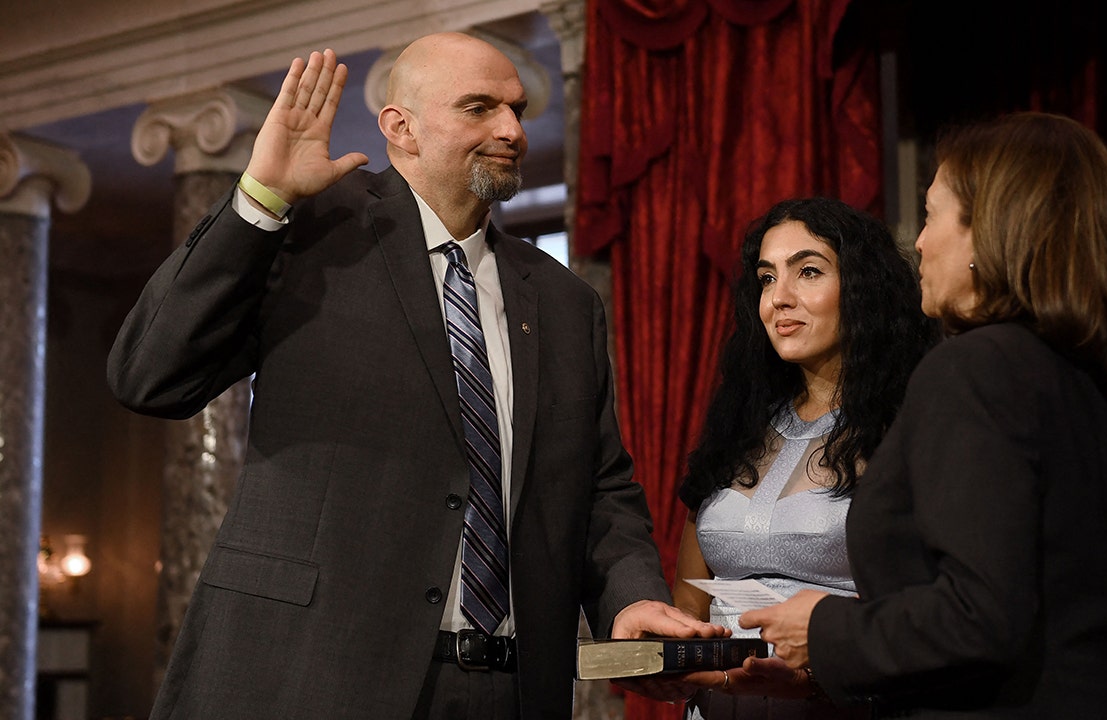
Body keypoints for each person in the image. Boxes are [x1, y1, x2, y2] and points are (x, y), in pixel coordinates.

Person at [107, 33, 722, 720]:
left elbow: (601, 487)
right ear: (401, 128)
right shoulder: (310, 234)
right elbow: (148, 375)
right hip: (311, 674)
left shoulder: (563, 299)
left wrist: (633, 597)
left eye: (516, 109)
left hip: (510, 690)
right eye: (480, 107)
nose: (512, 129)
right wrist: (260, 199)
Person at [740, 113, 1107, 718]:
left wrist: (825, 629)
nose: (917, 241)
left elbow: (979, 616)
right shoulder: (1085, 383)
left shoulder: (973, 369)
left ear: (989, 231)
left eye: (934, 213)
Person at [661, 198, 938, 718]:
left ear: (862, 288)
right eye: (766, 279)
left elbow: (928, 609)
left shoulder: (908, 428)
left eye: (808, 272)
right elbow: (690, 594)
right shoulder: (738, 424)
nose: (779, 299)